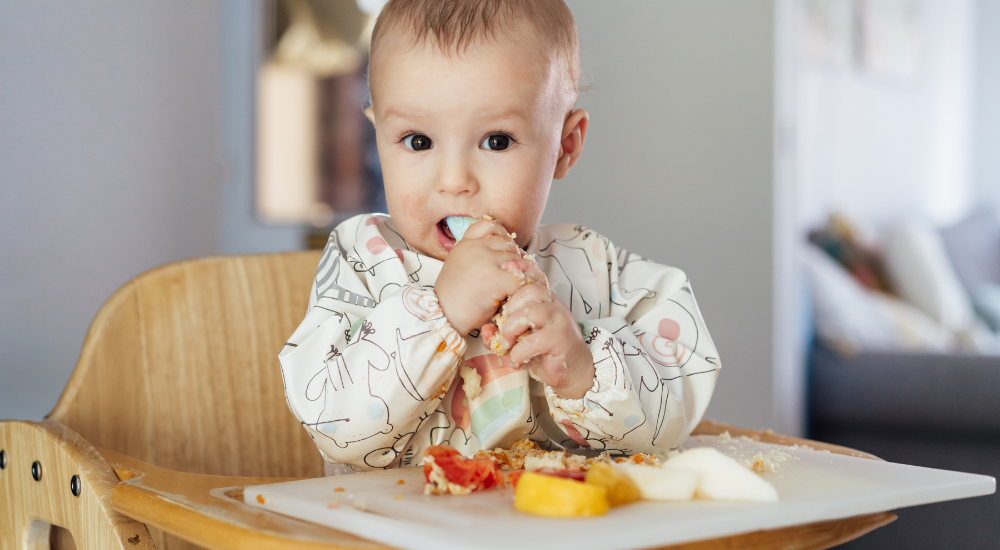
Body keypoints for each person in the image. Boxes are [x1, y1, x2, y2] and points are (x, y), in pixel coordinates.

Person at [279, 0, 720, 472]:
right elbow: (334, 427)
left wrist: (581, 368)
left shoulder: (596, 270)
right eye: (418, 141)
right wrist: (439, 314)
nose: (454, 180)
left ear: (564, 147)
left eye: (496, 141)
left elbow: (673, 415)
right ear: (379, 137)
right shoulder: (361, 260)